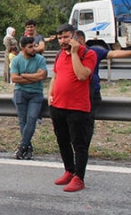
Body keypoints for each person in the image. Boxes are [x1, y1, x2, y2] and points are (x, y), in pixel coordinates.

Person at [49, 24, 97, 192]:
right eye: (60, 38)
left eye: (67, 37)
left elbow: (82, 75)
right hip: (58, 105)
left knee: (79, 144)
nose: (63, 41)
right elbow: (55, 76)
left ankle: (79, 177)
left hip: (78, 107)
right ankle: (69, 170)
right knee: (62, 141)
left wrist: (75, 52)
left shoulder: (88, 54)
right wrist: (50, 94)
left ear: (75, 37)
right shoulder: (59, 55)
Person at [74, 30, 131, 146]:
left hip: (91, 93)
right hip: (75, 94)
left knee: (87, 122)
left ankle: (82, 148)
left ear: (81, 40)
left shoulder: (93, 51)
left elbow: (113, 54)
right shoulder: (68, 53)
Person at [10, 36, 47, 160]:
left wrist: (24, 75)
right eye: (30, 47)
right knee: (23, 121)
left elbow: (42, 76)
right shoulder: (16, 60)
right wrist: (33, 77)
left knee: (31, 119)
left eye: (34, 46)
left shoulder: (40, 59)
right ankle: (28, 147)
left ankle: (22, 147)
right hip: (20, 93)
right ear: (23, 47)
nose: (33, 49)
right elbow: (14, 78)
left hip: (36, 93)